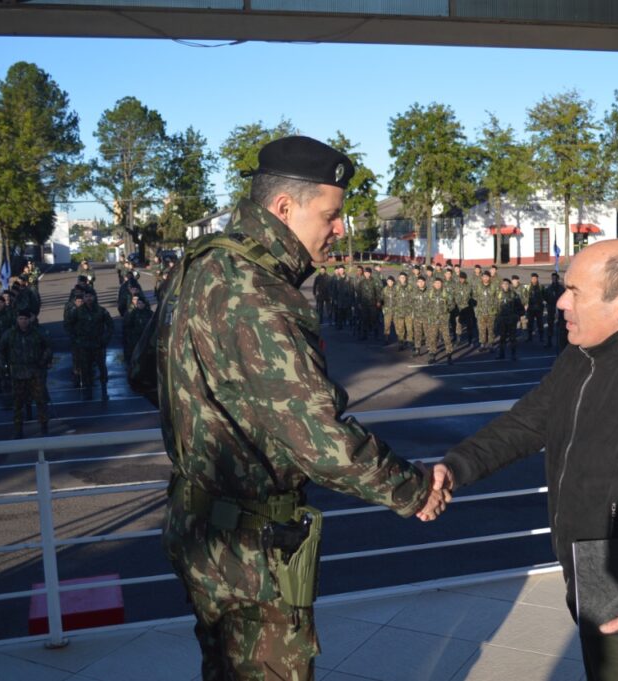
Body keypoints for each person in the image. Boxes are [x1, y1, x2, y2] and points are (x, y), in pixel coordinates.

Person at [156, 136, 449, 681]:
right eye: (332, 215)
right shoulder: (259, 291)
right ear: (284, 208)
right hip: (250, 550)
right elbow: (319, 438)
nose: (340, 229)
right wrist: (412, 490)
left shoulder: (199, 264)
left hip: (198, 528)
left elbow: (144, 373)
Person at [428, 239, 618, 681]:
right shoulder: (581, 356)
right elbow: (528, 422)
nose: (561, 301)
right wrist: (457, 465)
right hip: (586, 565)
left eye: (575, 291)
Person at [0, 310, 52, 439]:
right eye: (20, 318)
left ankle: (44, 426)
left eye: (25, 319)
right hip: (18, 374)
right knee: (18, 403)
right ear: (17, 319)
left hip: (35, 372)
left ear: (29, 320)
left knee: (40, 401)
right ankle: (18, 429)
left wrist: (43, 361)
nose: (23, 321)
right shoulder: (10, 334)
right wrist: (4, 367)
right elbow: (1, 350)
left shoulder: (37, 333)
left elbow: (48, 347)